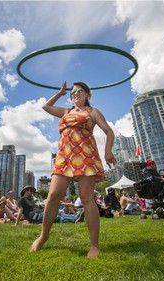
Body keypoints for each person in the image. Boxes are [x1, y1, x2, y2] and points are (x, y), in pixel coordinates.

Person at [31, 81, 115, 257]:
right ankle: (43, 236)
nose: (75, 93)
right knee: (53, 195)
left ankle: (94, 245)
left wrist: (108, 151)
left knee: (86, 197)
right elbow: (46, 106)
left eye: (80, 91)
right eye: (73, 91)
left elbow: (109, 132)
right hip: (64, 156)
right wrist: (61, 93)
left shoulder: (92, 112)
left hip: (85, 154)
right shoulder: (66, 112)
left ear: (87, 94)